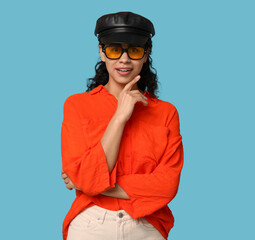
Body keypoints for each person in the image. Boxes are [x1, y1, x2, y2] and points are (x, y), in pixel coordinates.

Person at [60, 11, 184, 240]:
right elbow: (82, 176)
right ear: (101, 52)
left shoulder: (167, 113)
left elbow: (167, 186)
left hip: (147, 225)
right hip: (90, 223)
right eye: (115, 50)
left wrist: (90, 183)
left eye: (134, 51)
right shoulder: (77, 105)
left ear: (146, 55)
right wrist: (119, 117)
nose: (124, 59)